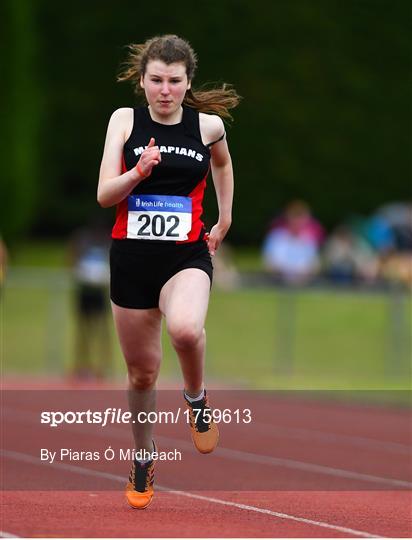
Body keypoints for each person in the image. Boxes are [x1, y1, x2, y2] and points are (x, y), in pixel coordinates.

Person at [97, 34, 240, 509]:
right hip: (132, 260)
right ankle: (144, 456)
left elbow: (223, 165)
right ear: (142, 81)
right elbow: (104, 195)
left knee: (184, 328)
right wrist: (138, 172)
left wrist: (223, 219)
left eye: (174, 81)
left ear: (187, 82)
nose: (165, 90)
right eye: (156, 80)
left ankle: (196, 400)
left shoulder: (208, 127)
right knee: (142, 374)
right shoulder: (124, 121)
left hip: (186, 257)